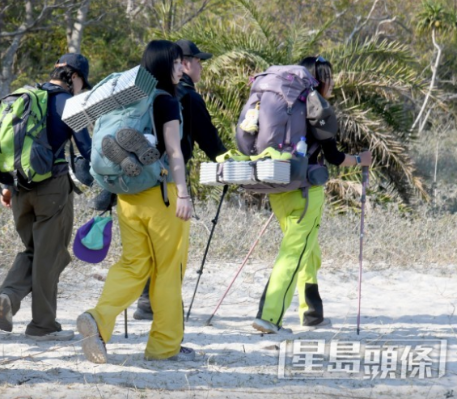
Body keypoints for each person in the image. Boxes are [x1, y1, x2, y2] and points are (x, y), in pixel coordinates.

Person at [77, 40, 195, 364]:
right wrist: (183, 193)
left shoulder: (127, 101)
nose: (180, 69)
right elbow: (174, 152)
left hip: (128, 197)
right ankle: (163, 347)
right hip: (162, 197)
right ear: (164, 66)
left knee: (133, 265)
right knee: (168, 270)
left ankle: (98, 318)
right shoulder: (166, 101)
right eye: (176, 63)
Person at [252, 56, 372, 334]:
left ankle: (312, 311)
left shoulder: (281, 106)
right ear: (321, 80)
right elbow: (334, 156)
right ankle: (269, 316)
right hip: (306, 190)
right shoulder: (317, 107)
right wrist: (360, 159)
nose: (332, 83)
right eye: (329, 77)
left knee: (308, 249)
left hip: (278, 185)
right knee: (294, 252)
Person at [0, 53, 92, 341]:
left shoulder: (24, 97)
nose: (81, 90)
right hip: (52, 189)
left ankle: (9, 298)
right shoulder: (68, 103)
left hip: (19, 188)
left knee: (34, 252)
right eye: (82, 83)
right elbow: (86, 148)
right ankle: (43, 326)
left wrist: (6, 188)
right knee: (50, 256)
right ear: (73, 76)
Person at [133, 39, 227, 321]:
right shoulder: (186, 96)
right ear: (184, 62)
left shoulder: (144, 92)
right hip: (166, 181)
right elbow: (212, 146)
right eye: (198, 61)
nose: (200, 66)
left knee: (145, 247)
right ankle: (158, 307)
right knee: (171, 248)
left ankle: (144, 301)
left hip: (135, 180)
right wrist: (236, 165)